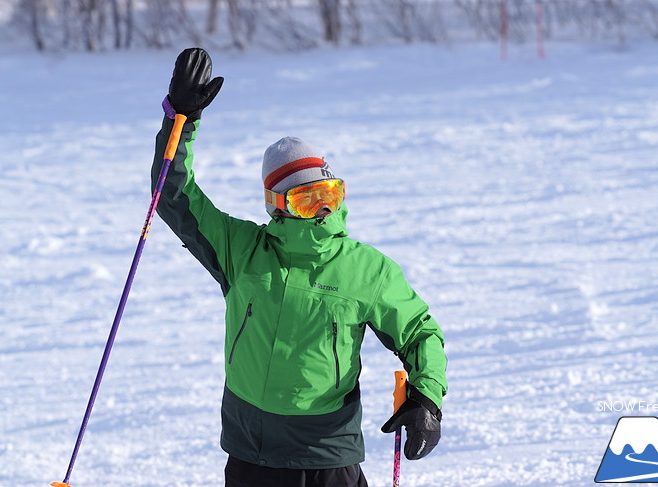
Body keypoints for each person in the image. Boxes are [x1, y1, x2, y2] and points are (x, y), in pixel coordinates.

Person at [152, 48, 448, 487]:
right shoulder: (241, 250)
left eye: (330, 192)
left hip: (325, 449)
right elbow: (172, 195)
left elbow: (421, 332)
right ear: (278, 205)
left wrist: (426, 397)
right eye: (307, 199)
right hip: (251, 447)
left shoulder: (367, 269)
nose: (325, 208)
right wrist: (181, 119)